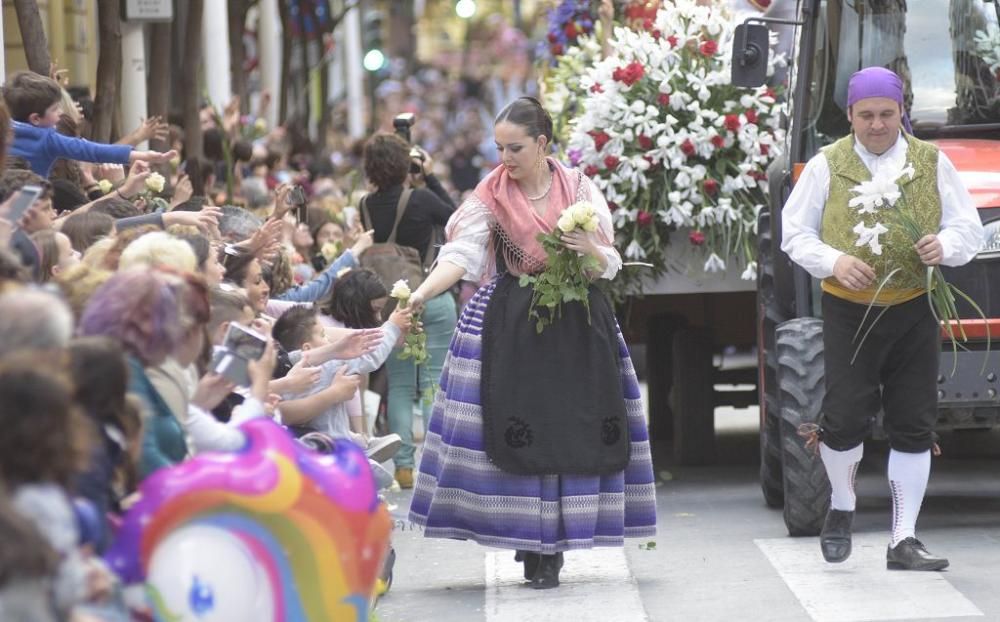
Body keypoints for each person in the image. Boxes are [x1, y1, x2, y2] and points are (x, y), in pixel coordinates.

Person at [406, 97, 656, 589]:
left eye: (514, 148)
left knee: (570, 427)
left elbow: (609, 261)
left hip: (578, 324)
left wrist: (592, 250)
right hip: (514, 322)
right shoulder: (489, 195)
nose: (505, 158)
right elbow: (462, 255)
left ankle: (555, 546)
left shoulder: (579, 188)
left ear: (542, 144)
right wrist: (419, 293)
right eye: (499, 148)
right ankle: (530, 539)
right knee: (514, 424)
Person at [781, 67, 984, 571]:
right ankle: (843, 506)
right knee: (844, 418)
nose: (876, 125)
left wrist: (946, 245)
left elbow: (968, 229)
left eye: (886, 114)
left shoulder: (930, 162)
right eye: (866, 115)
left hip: (914, 305)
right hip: (849, 311)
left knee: (914, 423)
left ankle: (903, 539)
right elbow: (794, 234)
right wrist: (834, 261)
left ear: (901, 114)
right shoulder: (828, 164)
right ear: (850, 115)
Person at [361, 133, 458, 488]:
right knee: (433, 381)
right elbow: (455, 218)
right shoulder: (421, 199)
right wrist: (428, 177)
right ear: (407, 165)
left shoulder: (365, 205)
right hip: (430, 295)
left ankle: (403, 467)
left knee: (400, 386)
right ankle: (434, 464)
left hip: (392, 303)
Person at [3, 71, 177, 176]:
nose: (61, 113)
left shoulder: (6, 131)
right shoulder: (46, 139)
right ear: (35, 119)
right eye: (56, 109)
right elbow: (92, 151)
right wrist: (144, 156)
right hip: (27, 207)